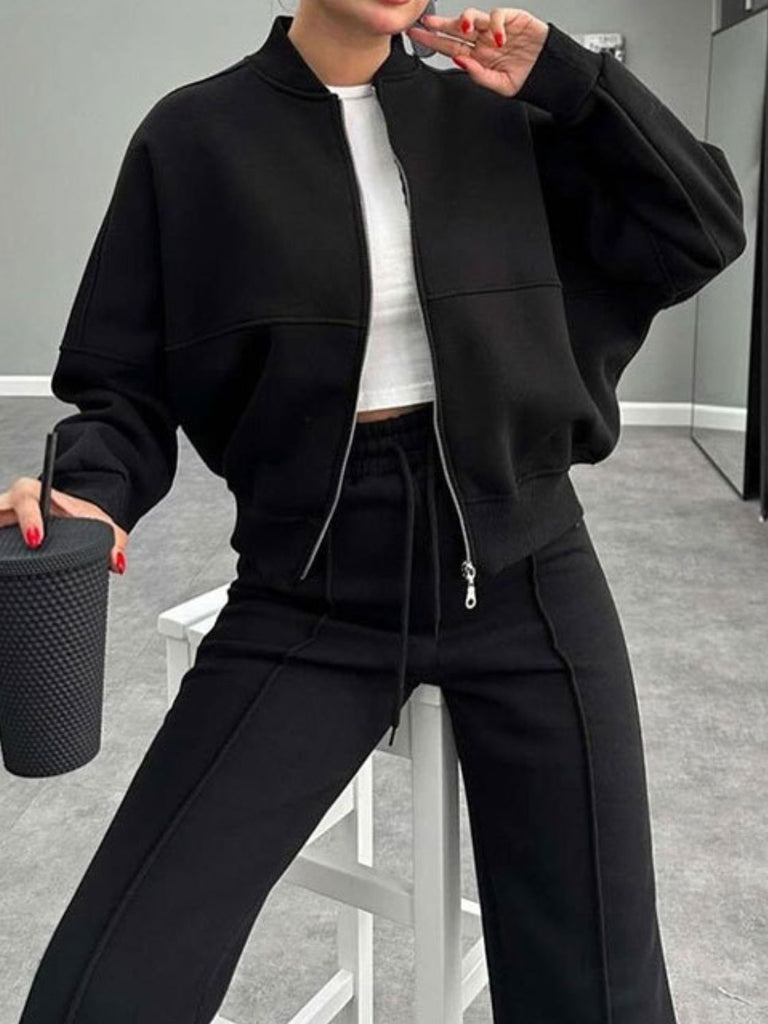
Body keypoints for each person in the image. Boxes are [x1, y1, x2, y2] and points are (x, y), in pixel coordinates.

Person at [3, 3, 746, 1023]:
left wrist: (571, 81)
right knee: (107, 987)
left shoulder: (499, 117)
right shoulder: (193, 139)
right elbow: (121, 388)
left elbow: (704, 223)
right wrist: (88, 485)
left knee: (601, 990)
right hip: (308, 591)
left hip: (527, 570)